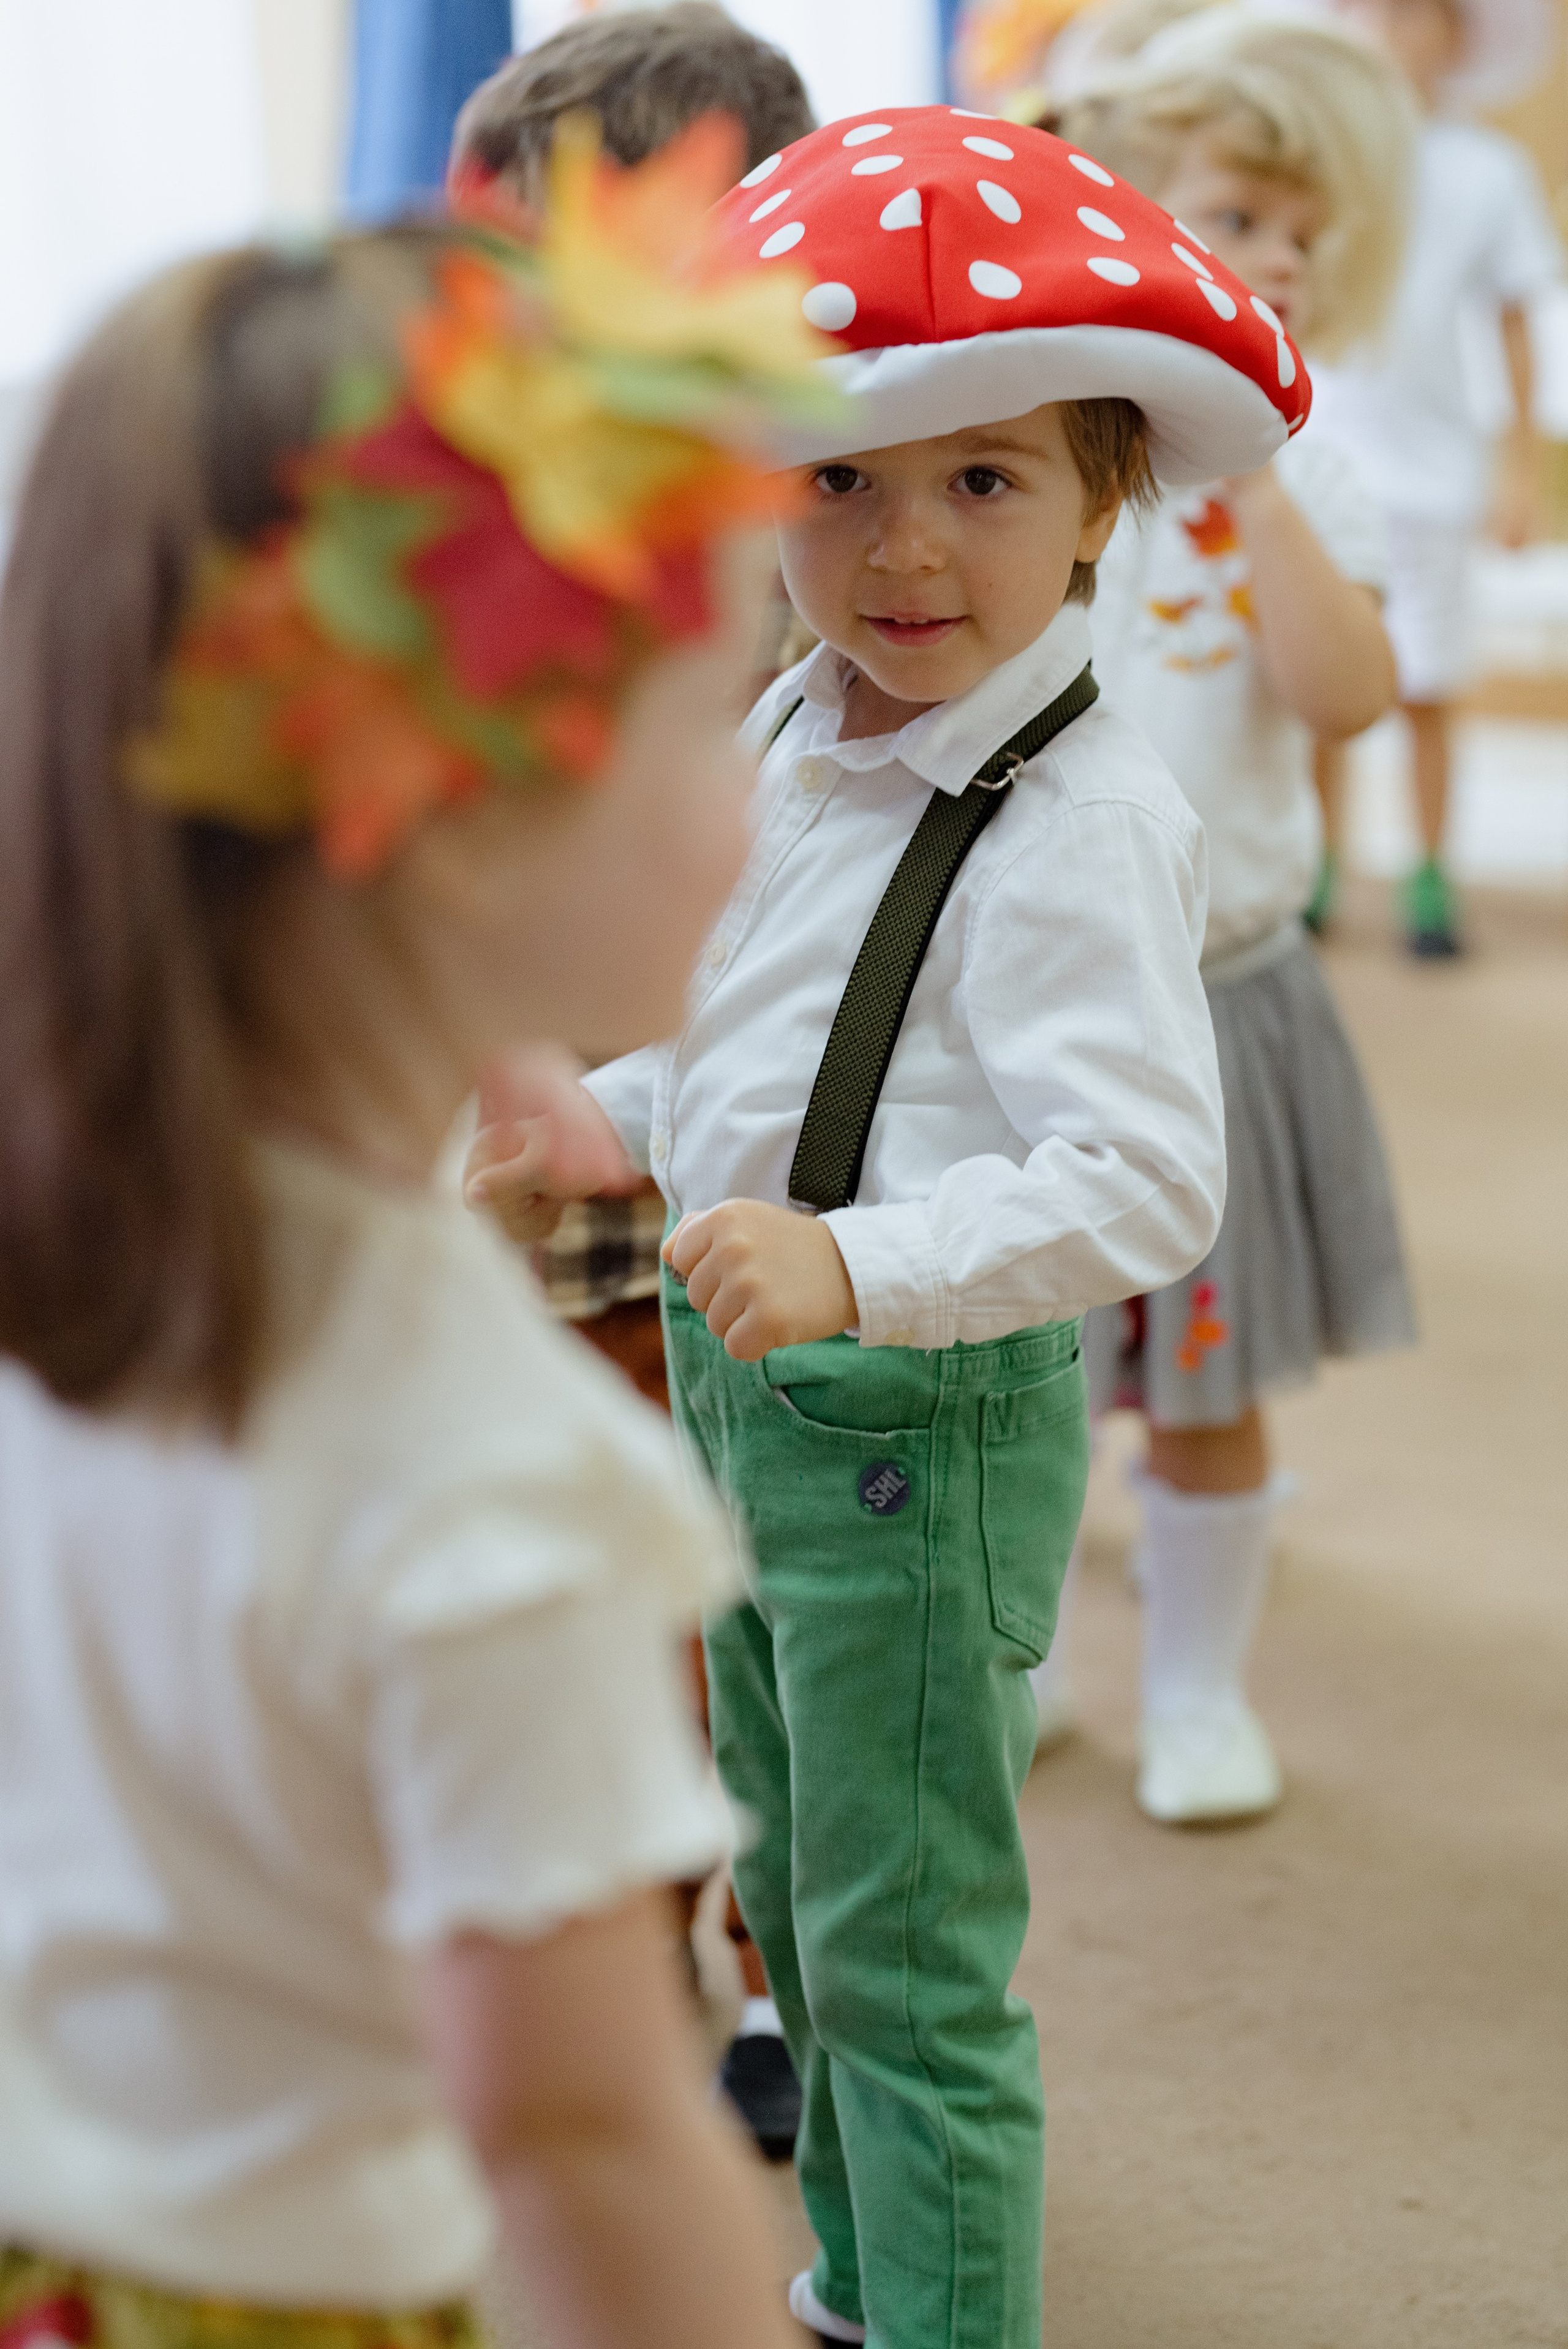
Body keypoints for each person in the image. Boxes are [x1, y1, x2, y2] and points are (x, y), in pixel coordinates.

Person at [462, 105, 1314, 2348]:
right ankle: (858, 2275)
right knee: (796, 1896)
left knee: (913, 1951)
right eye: (844, 478)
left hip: (912, 1437)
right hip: (754, 1393)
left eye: (987, 477)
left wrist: (866, 1260)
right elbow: (754, 1041)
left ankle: (937, 2312)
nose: (905, 548)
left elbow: (1146, 1177)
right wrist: (600, 1118)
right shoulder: (811, 722)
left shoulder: (1082, 823)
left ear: (1106, 495)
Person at [0, 133, 821, 2349]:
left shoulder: (88, 1191)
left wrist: (463, 1047)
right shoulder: (501, 1485)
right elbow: (575, 2133)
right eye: (710, 718)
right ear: (451, 832)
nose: (759, 788)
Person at [451, 0, 816, 2165]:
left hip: (763, 1141)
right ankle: (654, 1942)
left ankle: (775, 1956)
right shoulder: (482, 510)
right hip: (550, 1156)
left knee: (762, 1598)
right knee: (605, 1594)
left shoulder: (811, 510)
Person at [1047, 10, 1418, 1819]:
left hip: (1217, 992)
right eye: (1238, 212)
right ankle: (1024, 1654)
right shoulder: (1042, 439)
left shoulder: (1312, 466)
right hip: (1027, 995)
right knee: (1011, 1361)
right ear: (1135, 213)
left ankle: (1196, 1691)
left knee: (1202, 1378)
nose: (1277, 251)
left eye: (1300, 229)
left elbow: (1347, 692)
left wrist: (1258, 466)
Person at [1308, 0, 1563, 954]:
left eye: (1413, 13)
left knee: (1429, 686)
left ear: (1457, 35)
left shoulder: (1486, 169)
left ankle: (1427, 877)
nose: (1389, 30)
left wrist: (1517, 473)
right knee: (1320, 683)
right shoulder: (1316, 151)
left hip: (1434, 469)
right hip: (1323, 458)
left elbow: (1512, 322)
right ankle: (1321, 866)